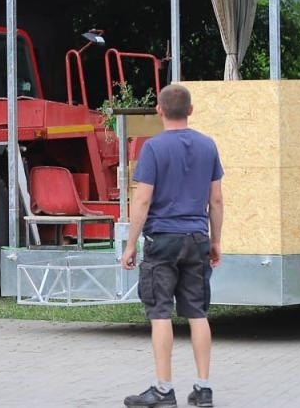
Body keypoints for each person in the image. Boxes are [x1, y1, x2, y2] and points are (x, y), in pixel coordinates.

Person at [119, 83, 224, 408]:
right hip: (196, 238)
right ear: (190, 111)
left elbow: (143, 199)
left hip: (163, 239)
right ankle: (203, 389)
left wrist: (130, 243)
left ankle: (164, 390)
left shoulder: (152, 148)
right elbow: (216, 199)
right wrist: (216, 240)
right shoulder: (208, 146)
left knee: (160, 313)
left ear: (159, 111)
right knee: (197, 313)